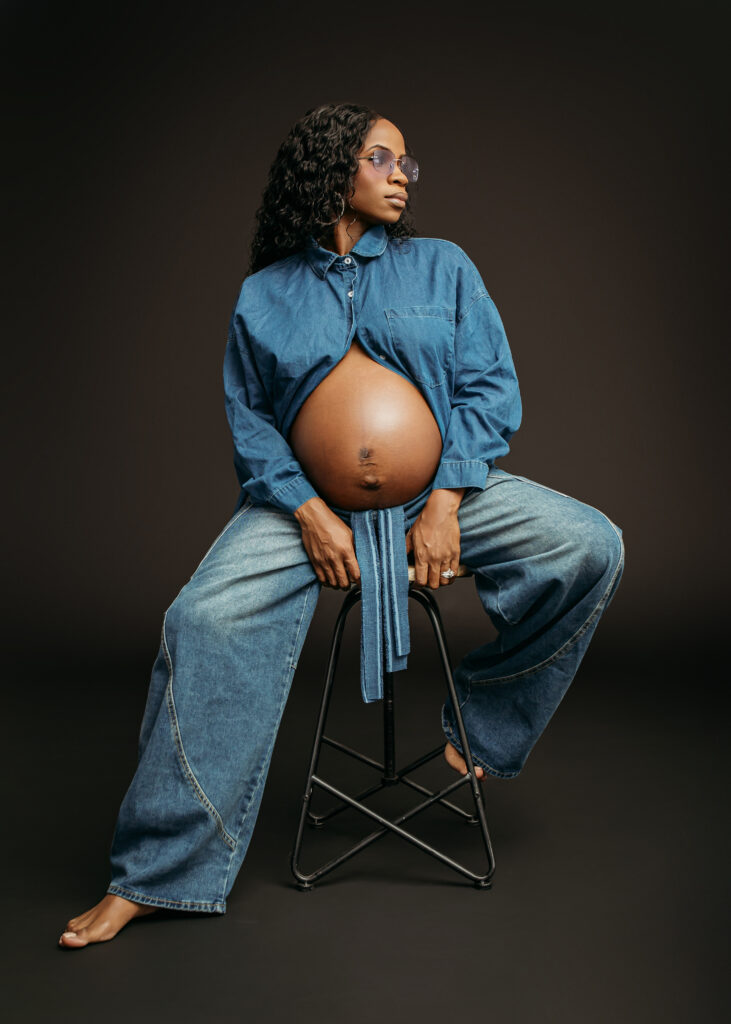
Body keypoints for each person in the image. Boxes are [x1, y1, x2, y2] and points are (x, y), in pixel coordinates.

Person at [58, 102, 625, 949]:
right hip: (304, 516)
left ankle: (483, 732)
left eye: (408, 164)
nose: (403, 176)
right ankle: (154, 876)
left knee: (588, 545)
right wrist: (309, 512)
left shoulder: (442, 267)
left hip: (445, 498)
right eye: (383, 158)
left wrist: (443, 503)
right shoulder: (265, 293)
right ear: (330, 169)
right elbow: (250, 422)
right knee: (199, 619)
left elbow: (488, 388)